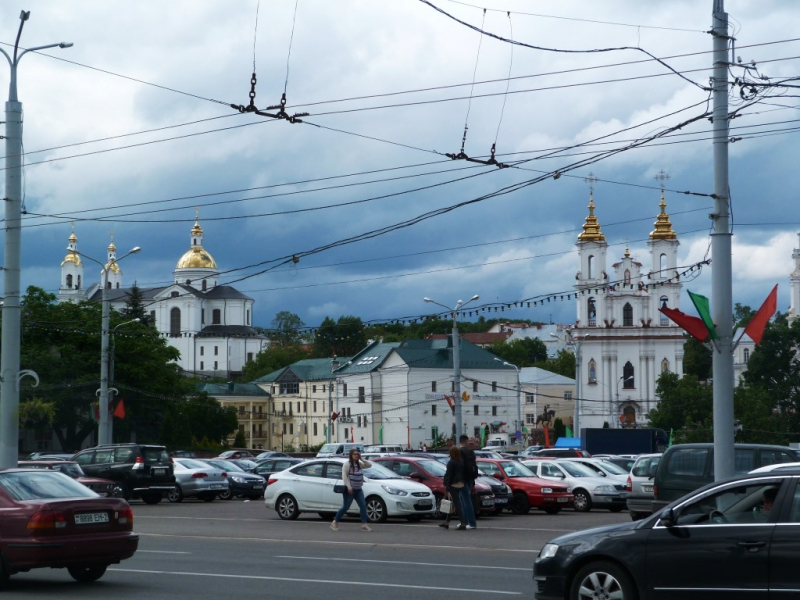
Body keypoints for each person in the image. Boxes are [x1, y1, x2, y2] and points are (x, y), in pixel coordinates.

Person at [331, 449, 373, 532]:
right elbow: (344, 477)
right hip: (350, 490)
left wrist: (362, 459)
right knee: (346, 507)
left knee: (363, 506)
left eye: (357, 454)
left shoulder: (359, 464)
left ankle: (364, 524)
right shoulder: (347, 464)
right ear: (351, 455)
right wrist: (349, 487)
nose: (356, 455)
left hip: (358, 489)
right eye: (354, 454)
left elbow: (369, 465)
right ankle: (335, 521)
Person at [441, 445, 467, 530]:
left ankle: (463, 523)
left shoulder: (451, 463)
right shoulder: (461, 462)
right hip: (460, 484)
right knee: (452, 503)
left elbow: (449, 475)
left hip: (453, 485)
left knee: (457, 504)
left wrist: (447, 486)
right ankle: (446, 522)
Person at [459, 434, 478, 530]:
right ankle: (465, 522)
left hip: (462, 479)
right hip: (470, 478)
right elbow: (474, 465)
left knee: (465, 500)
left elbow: (460, 467)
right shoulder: (471, 451)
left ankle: (470, 522)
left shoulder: (460, 452)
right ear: (466, 441)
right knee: (465, 499)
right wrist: (473, 482)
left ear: (460, 442)